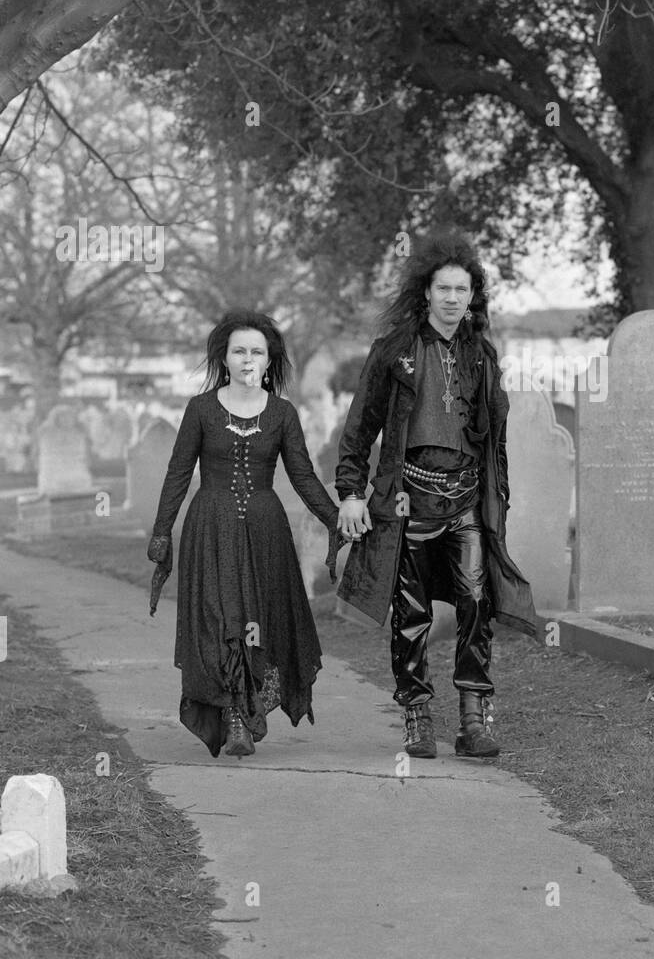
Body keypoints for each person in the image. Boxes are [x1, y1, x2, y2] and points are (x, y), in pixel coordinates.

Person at [335, 228, 540, 760]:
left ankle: (473, 720)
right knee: (413, 612)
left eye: (462, 289)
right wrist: (352, 491)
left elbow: (493, 439)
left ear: (473, 296)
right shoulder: (394, 352)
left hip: (467, 496)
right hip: (409, 497)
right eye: (443, 288)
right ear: (426, 292)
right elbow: (360, 427)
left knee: (476, 602)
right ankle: (417, 716)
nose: (453, 298)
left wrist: (501, 499)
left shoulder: (483, 356)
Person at [147, 311, 344, 758]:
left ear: (270, 360)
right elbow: (178, 473)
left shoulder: (282, 413)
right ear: (225, 357)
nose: (248, 358)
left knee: (256, 619)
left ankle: (245, 709)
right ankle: (233, 716)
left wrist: (335, 518)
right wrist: (162, 531)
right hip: (209, 527)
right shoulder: (200, 409)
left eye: (257, 351)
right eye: (239, 350)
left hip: (265, 529)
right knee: (220, 617)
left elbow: (303, 476)